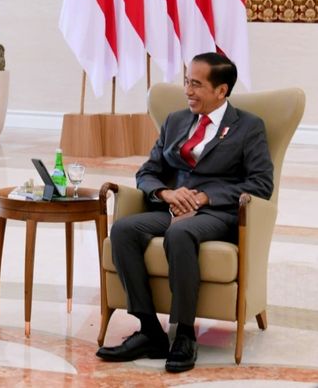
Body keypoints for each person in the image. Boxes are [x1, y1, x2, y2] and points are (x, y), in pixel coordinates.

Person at [96, 52, 274, 373]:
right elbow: (147, 171)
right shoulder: (176, 121)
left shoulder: (248, 127)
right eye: (186, 82)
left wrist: (205, 197)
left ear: (221, 91)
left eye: (196, 84)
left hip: (217, 213)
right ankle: (150, 330)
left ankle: (184, 333)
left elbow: (261, 184)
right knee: (123, 230)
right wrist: (166, 192)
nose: (188, 91)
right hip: (172, 205)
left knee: (180, 232)